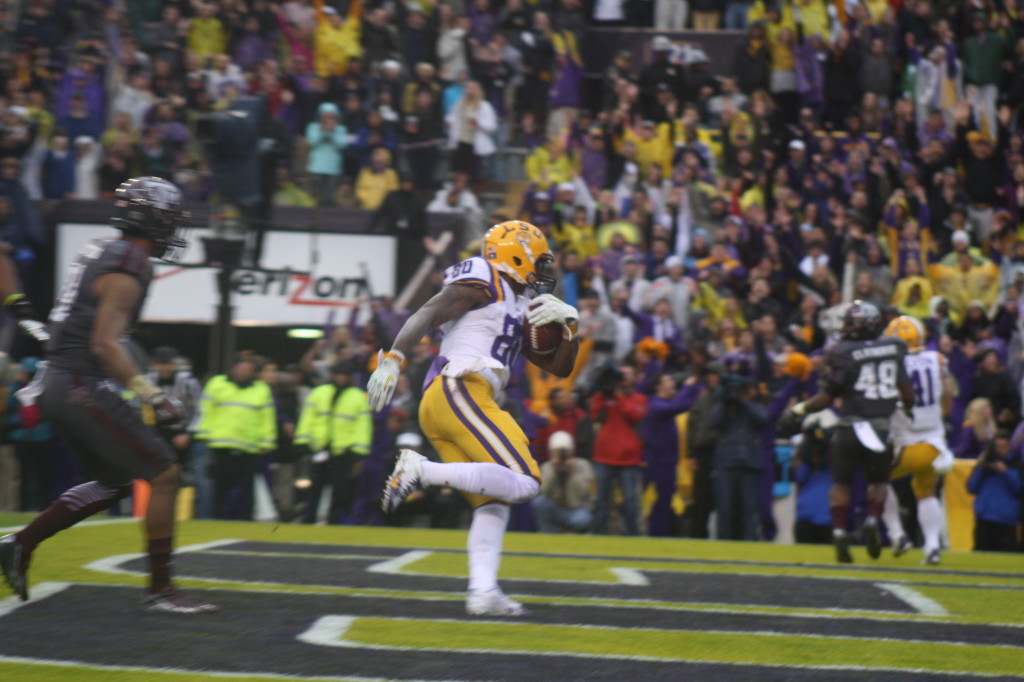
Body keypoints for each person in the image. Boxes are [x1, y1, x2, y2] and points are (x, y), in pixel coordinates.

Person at [0, 177, 217, 613]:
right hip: (80, 382)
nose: (172, 231)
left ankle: (20, 543)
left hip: (61, 382)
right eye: (168, 221)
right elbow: (105, 344)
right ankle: (161, 589)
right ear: (151, 219)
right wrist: (154, 396)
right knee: (165, 473)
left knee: (114, 482)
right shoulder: (131, 261)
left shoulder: (102, 248)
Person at [368, 220, 579, 616]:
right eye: (537, 260)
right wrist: (395, 357)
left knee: (494, 503)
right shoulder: (486, 277)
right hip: (460, 388)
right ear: (514, 254)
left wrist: (570, 326)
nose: (543, 270)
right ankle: (421, 470)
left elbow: (560, 367)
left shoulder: (522, 304)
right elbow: (429, 311)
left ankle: (483, 592)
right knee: (527, 481)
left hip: (454, 401)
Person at [782, 301, 914, 563]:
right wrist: (906, 410)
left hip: (849, 428)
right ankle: (873, 520)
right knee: (878, 483)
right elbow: (906, 392)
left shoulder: (842, 351)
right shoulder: (894, 347)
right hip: (879, 428)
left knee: (840, 483)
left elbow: (826, 398)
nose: (846, 327)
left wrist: (797, 411)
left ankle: (840, 530)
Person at [880, 316, 956, 565]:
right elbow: (947, 398)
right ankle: (932, 547)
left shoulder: (889, 362)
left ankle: (897, 534)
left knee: (876, 482)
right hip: (933, 443)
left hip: (905, 443)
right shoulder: (938, 359)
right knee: (926, 492)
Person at [195, 355, 277, 521]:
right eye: (241, 368)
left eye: (247, 370)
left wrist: (266, 441)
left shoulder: (261, 389)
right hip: (220, 443)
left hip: (249, 445)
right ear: (233, 368)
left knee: (247, 487)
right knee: (219, 485)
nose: (243, 372)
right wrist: (203, 433)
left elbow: (267, 418)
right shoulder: (217, 384)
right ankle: (216, 517)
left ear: (253, 372)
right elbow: (205, 410)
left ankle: (245, 518)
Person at [293, 358, 372, 524]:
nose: (341, 378)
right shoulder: (319, 393)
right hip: (319, 447)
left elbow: (363, 425)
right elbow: (307, 418)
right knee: (314, 487)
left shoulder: (357, 397)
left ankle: (334, 519)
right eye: (339, 375)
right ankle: (309, 516)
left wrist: (358, 450)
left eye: (344, 375)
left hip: (342, 450)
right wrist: (302, 440)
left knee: (339, 489)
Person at [530, 430, 595, 533]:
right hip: (556, 509)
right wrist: (554, 470)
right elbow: (543, 491)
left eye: (564, 451)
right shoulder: (547, 467)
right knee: (539, 503)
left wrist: (571, 471)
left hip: (577, 509)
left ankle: (578, 538)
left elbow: (586, 492)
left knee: (582, 519)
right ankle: (547, 534)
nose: (562, 455)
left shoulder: (583, 465)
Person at [967, 430, 1022, 552]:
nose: (1000, 450)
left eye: (1004, 446)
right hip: (984, 518)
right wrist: (981, 466)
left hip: (1006, 521)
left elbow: (1019, 488)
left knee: (1007, 557)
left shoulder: (1016, 464)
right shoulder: (985, 466)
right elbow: (971, 487)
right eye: (997, 447)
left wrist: (1005, 472)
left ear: (1010, 447)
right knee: (980, 556)